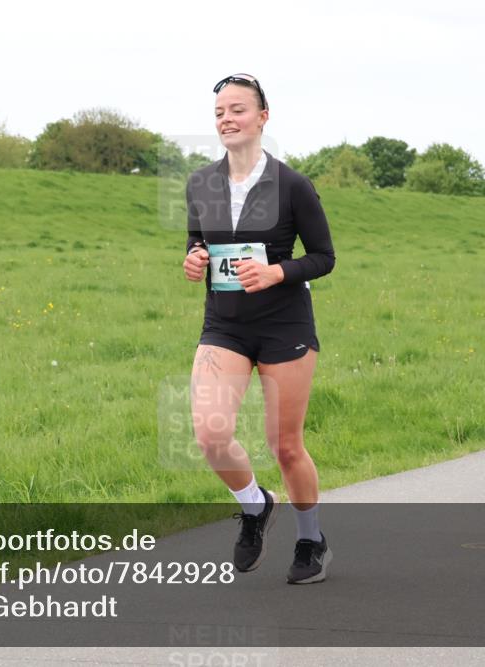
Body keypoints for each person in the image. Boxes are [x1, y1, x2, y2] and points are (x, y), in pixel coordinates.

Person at [182, 73, 336, 584]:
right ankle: (254, 506)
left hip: (283, 324)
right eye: (220, 112)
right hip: (224, 325)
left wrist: (275, 271)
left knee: (284, 444)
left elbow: (323, 257)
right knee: (209, 432)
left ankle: (311, 539)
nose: (227, 119)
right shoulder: (200, 182)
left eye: (238, 110)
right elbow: (196, 241)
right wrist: (192, 258)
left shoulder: (292, 185)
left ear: (262, 117)